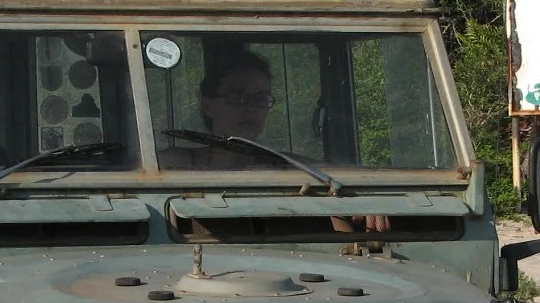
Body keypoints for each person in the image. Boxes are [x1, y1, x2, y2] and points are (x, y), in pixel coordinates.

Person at [162, 49, 390, 232]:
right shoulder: (173, 165)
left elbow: (343, 185)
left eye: (260, 98)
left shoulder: (298, 169)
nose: (251, 107)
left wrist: (365, 200)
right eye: (237, 97)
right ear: (208, 105)